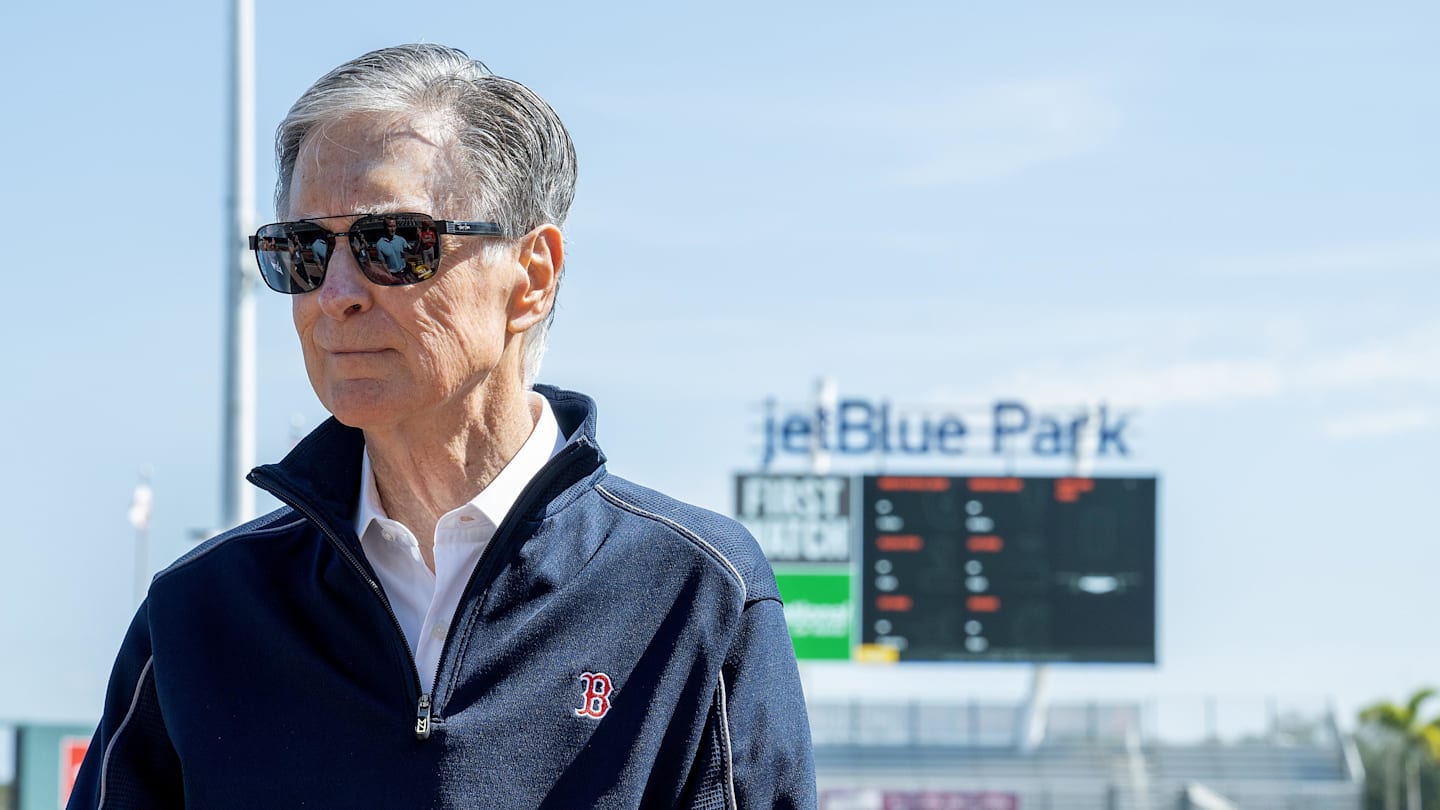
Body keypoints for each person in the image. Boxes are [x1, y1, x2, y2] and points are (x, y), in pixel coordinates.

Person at [69, 43, 815, 809]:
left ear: (532, 277)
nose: (336, 293)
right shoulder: (198, 613)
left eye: (392, 243)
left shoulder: (697, 593)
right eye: (303, 249)